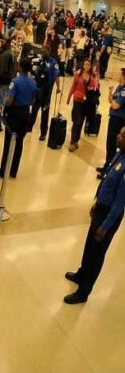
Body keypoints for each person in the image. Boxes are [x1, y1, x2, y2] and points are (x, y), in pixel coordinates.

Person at [64, 127, 125, 304]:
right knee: (89, 245)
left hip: (109, 215)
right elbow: (106, 181)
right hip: (100, 207)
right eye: (119, 133)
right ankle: (82, 273)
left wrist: (105, 226)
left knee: (97, 253)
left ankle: (84, 291)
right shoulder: (119, 155)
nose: (117, 136)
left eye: (122, 136)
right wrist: (96, 202)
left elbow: (120, 203)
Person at [0, 57, 38, 179]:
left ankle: (3, 170)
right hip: (25, 113)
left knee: (8, 141)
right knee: (19, 142)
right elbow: (32, 101)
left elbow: (9, 101)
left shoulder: (15, 81)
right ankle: (14, 171)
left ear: (20, 67)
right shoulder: (33, 83)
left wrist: (5, 102)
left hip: (14, 113)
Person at [66, 58, 100, 152]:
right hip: (77, 100)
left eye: (88, 65)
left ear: (90, 66)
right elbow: (73, 86)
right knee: (76, 121)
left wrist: (95, 79)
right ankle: (72, 141)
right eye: (85, 64)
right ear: (83, 65)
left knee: (81, 122)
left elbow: (96, 88)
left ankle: (76, 140)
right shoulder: (78, 74)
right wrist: (69, 98)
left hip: (87, 102)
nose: (86, 66)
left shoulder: (93, 76)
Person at [97, 68, 125, 179]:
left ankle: (108, 171)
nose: (117, 76)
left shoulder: (124, 91)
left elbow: (115, 105)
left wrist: (113, 102)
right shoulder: (119, 87)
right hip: (113, 118)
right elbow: (111, 100)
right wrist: (110, 93)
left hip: (119, 120)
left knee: (113, 143)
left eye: (119, 74)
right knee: (109, 143)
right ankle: (106, 165)